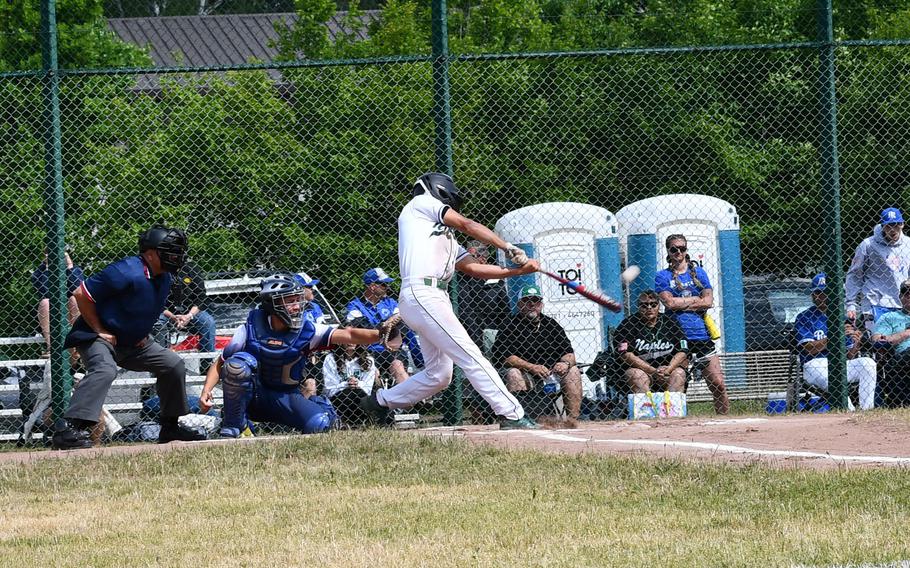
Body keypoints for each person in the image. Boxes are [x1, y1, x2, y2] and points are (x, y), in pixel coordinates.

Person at [360, 172, 541, 430]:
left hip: (433, 297)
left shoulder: (441, 236)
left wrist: (517, 272)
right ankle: (511, 413)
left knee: (439, 376)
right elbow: (467, 224)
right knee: (470, 354)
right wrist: (507, 247)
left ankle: (379, 402)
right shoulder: (420, 203)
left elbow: (474, 268)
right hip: (423, 293)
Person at [51, 225, 206, 449]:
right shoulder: (125, 271)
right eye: (171, 251)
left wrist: (142, 333)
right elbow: (80, 294)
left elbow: (146, 307)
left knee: (173, 364)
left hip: (134, 342)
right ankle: (70, 430)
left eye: (178, 252)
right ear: (150, 254)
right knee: (105, 369)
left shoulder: (164, 277)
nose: (177, 257)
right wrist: (98, 329)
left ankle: (170, 426)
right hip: (98, 337)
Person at [198, 274, 385, 437]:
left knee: (319, 424)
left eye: (298, 299)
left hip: (286, 396)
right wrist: (206, 390)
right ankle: (236, 425)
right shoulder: (249, 328)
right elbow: (221, 362)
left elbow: (349, 334)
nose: (297, 306)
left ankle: (320, 406)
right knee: (237, 365)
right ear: (272, 303)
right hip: (255, 396)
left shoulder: (308, 330)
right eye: (290, 300)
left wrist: (381, 335)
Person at [655, 234, 730, 414]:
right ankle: (678, 423)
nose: (678, 252)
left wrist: (681, 301)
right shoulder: (662, 276)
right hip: (677, 336)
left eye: (682, 248)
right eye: (674, 249)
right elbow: (669, 303)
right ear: (668, 251)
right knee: (678, 384)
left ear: (686, 250)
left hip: (701, 334)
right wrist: (696, 300)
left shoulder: (699, 273)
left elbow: (708, 301)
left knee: (718, 384)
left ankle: (724, 420)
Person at [491, 284, 583, 419]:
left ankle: (573, 421)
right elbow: (506, 358)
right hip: (525, 371)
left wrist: (565, 364)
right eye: (527, 301)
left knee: (573, 371)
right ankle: (522, 420)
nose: (532, 304)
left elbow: (569, 353)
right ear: (519, 304)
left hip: (551, 371)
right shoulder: (509, 325)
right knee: (513, 374)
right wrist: (532, 367)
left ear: (541, 304)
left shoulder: (551, 324)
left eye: (536, 300)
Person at [795, 273, 877, 410]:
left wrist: (857, 343)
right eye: (818, 292)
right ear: (812, 295)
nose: (821, 296)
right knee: (832, 377)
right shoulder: (804, 317)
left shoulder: (842, 318)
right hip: (814, 364)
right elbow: (809, 348)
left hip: (840, 363)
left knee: (868, 363)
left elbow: (850, 356)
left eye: (826, 292)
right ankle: (849, 411)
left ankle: (866, 409)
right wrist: (834, 336)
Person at [345, 267, 421, 386]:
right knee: (373, 373)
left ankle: (411, 401)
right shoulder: (355, 305)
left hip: (392, 350)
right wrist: (386, 324)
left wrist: (389, 322)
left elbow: (399, 319)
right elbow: (363, 328)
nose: (387, 287)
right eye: (384, 285)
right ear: (372, 286)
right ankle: (379, 399)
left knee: (398, 367)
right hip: (367, 352)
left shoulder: (390, 302)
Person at [615, 290, 688, 394]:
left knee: (679, 373)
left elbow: (683, 350)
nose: (649, 308)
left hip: (667, 370)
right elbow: (625, 354)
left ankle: (671, 409)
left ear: (659, 306)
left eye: (653, 304)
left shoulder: (670, 322)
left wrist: (668, 369)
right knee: (636, 375)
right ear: (638, 307)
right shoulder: (628, 324)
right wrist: (653, 371)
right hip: (642, 371)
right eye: (644, 305)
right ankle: (647, 409)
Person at [846, 207, 910, 325]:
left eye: (896, 225)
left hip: (901, 304)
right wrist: (850, 304)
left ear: (902, 224)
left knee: (900, 341)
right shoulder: (868, 245)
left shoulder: (908, 244)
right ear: (882, 226)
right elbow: (855, 275)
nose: (893, 229)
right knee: (876, 341)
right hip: (874, 303)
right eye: (888, 225)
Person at [32, 247, 84, 357]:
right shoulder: (40, 272)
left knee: (74, 299)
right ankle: (51, 346)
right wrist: (47, 267)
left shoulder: (75, 270)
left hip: (71, 312)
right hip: (52, 312)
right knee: (45, 302)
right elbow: (44, 291)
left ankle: (78, 343)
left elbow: (77, 289)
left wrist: (69, 266)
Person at [154, 261, 216, 354]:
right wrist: (173, 317)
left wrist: (189, 315)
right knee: (157, 321)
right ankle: (162, 358)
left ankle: (206, 364)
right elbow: (155, 300)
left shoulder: (191, 268)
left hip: (191, 312)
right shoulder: (159, 269)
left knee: (208, 322)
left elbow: (201, 297)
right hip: (166, 313)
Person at [457, 240, 511, 347]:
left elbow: (505, 311)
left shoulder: (494, 279)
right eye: (472, 255)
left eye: (481, 254)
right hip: (467, 332)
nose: (479, 258)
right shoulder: (459, 279)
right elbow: (465, 311)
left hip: (492, 329)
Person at [871, 278, 910, 407]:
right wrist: (906, 333)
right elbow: (877, 339)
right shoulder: (889, 317)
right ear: (900, 296)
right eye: (907, 293)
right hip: (902, 358)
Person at [321, 340, 377, 427]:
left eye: (354, 338)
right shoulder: (330, 358)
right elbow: (329, 389)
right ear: (340, 341)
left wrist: (358, 383)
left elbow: (368, 389)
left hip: (361, 396)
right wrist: (346, 384)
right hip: (339, 398)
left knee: (359, 394)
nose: (351, 342)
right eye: (346, 339)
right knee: (349, 393)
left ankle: (363, 421)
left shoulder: (368, 360)